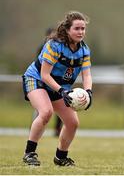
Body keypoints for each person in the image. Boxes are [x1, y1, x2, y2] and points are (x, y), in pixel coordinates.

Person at [22, 10, 93, 167]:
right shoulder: (55, 45)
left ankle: (60, 157)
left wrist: (89, 92)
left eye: (83, 29)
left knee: (73, 122)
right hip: (37, 79)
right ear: (67, 30)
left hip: (59, 86)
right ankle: (29, 153)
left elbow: (86, 76)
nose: (81, 32)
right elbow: (45, 75)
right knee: (46, 112)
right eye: (77, 28)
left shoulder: (84, 50)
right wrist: (62, 91)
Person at [33, 28, 62, 137]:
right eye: (52, 34)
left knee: (61, 109)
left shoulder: (60, 48)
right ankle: (34, 130)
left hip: (55, 83)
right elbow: (41, 67)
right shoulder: (43, 48)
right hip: (42, 82)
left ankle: (57, 130)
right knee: (43, 110)